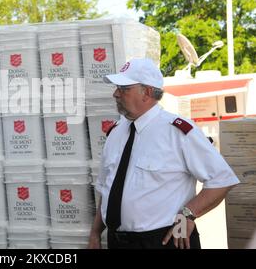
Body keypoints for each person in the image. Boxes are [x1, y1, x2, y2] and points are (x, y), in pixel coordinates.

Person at [88, 58, 239, 249]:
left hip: (164, 240)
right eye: (117, 87)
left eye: (124, 88)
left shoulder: (178, 131)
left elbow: (222, 179)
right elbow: (107, 188)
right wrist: (95, 233)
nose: (116, 94)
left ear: (148, 92)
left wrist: (188, 214)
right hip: (117, 242)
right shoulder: (116, 132)